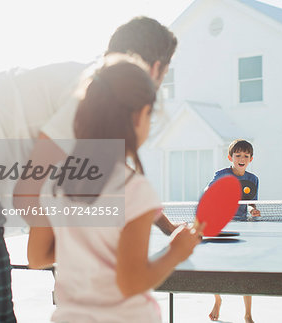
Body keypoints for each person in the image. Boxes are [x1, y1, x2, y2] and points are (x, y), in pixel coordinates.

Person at [0, 16, 179, 322]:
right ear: (154, 69)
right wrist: (83, 246)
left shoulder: (94, 88)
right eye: (163, 76)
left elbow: (117, 181)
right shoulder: (89, 93)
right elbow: (27, 196)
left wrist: (167, 227)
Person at [27, 59, 205, 322]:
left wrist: (79, 244)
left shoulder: (55, 182)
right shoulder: (134, 190)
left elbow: (36, 257)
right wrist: (177, 251)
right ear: (138, 116)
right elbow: (131, 283)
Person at [206, 139, 260, 323]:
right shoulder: (221, 175)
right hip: (222, 226)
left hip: (242, 227)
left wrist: (253, 210)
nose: (242, 158)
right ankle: (218, 300)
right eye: (238, 155)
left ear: (251, 159)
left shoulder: (253, 179)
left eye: (246, 156)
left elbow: (252, 202)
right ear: (231, 157)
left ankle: (247, 314)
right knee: (216, 268)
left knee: (246, 269)